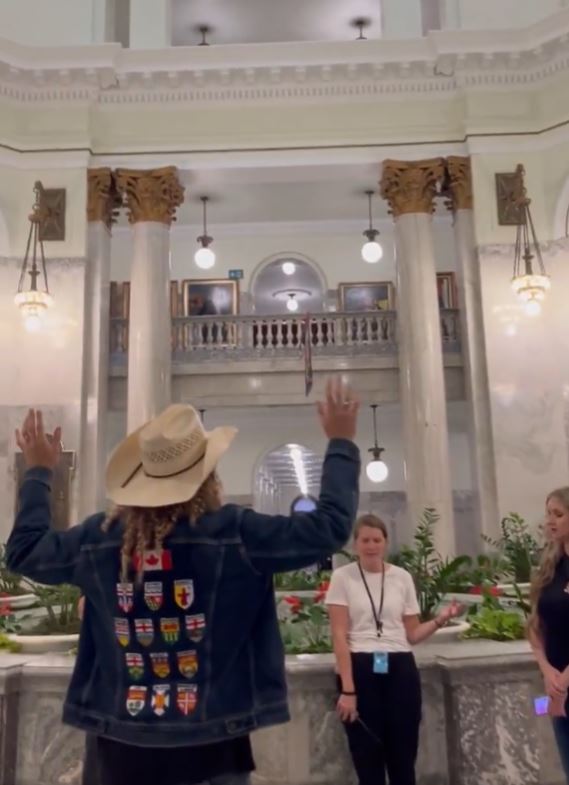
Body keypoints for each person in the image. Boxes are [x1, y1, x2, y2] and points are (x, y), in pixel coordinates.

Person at [7, 378, 360, 785]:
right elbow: (328, 529)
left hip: (121, 739)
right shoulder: (237, 534)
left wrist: (39, 471)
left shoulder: (98, 539)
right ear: (207, 476)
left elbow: (24, 552)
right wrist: (340, 443)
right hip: (215, 740)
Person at [326, 514, 462, 785]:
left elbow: (412, 634)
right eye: (365, 540)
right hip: (360, 667)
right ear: (355, 544)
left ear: (386, 543)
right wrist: (348, 690)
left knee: (403, 753)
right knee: (367, 755)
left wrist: (440, 619)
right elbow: (339, 636)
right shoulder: (343, 577)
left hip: (400, 667)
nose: (371, 546)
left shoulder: (401, 578)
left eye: (377, 540)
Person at [529, 487, 569, 781]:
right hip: (557, 686)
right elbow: (535, 625)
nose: (550, 521)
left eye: (558, 514)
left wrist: (565, 678)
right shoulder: (550, 567)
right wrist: (546, 670)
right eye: (548, 514)